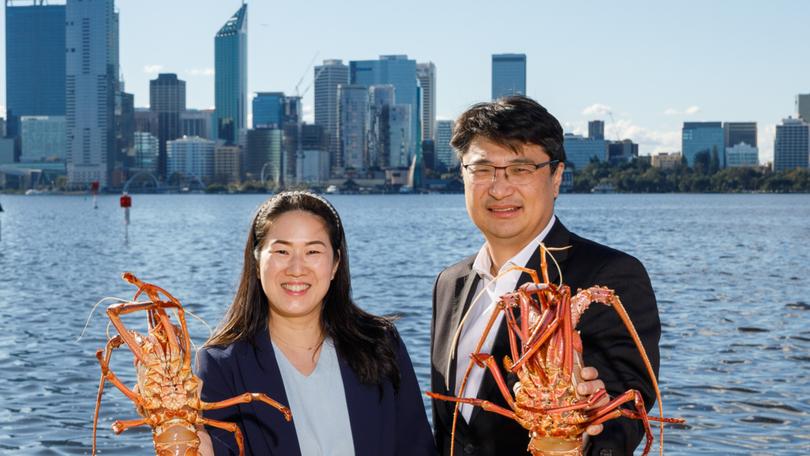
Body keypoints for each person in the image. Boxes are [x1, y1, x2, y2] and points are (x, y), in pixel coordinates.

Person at [430, 96, 661, 456]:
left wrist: (588, 432)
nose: (499, 188)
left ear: (555, 177)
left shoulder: (611, 274)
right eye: (482, 168)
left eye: (521, 170)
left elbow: (630, 405)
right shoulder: (450, 282)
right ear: (462, 174)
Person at [196, 191, 435, 455]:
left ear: (335, 264)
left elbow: (418, 447)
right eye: (282, 251)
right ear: (256, 262)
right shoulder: (221, 366)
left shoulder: (380, 343)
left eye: (312, 251)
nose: (296, 268)